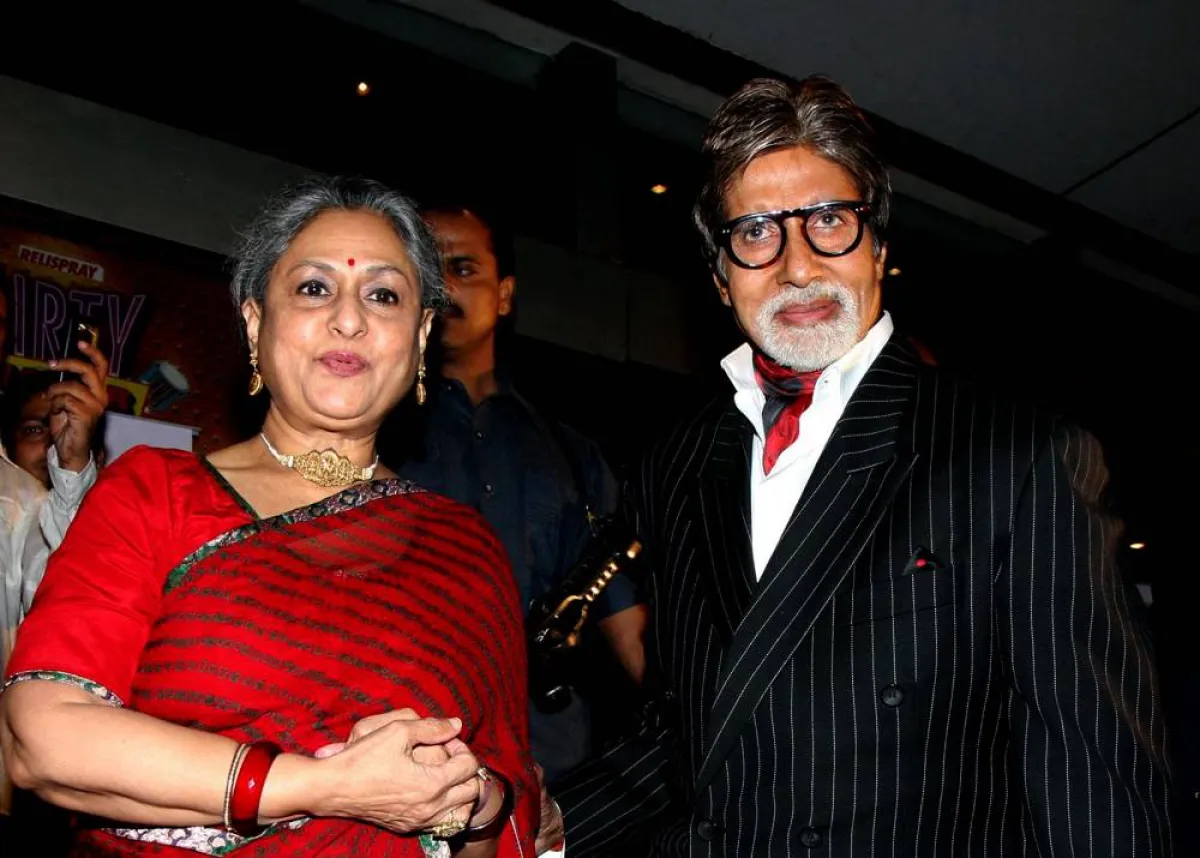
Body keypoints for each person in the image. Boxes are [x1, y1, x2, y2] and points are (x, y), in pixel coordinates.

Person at [549, 76, 1171, 856]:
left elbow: (1091, 772)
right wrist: (534, 825)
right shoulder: (676, 464)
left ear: (878, 246)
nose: (797, 265)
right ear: (719, 276)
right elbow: (693, 735)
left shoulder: (1016, 454)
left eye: (829, 221)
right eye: (755, 234)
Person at [0, 176, 538, 857]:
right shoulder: (155, 493)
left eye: (384, 295)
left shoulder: (465, 548)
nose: (350, 319)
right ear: (256, 322)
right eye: (314, 288)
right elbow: (44, 734)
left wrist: (473, 798)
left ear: (422, 334)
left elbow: (507, 803)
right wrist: (320, 785)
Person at [388, 200, 647, 785]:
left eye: (463, 268)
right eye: (426, 270)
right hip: (401, 768)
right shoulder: (368, 434)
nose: (444, 286)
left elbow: (628, 626)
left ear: (504, 294)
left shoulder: (571, 454)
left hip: (550, 771)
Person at [0, 333, 107, 830]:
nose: (51, 441)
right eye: (34, 429)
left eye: (64, 427)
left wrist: (70, 469)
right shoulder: (12, 503)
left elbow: (56, 581)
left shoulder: (85, 518)